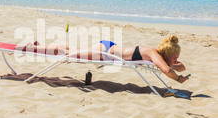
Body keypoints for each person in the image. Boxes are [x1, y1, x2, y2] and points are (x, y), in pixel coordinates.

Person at [15, 35, 190, 84]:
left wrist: (177, 65)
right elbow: (167, 71)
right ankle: (30, 47)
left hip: (108, 48)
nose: (177, 60)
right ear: (166, 55)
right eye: (175, 57)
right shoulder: (154, 54)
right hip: (105, 53)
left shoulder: (157, 53)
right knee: (66, 53)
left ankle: (38, 45)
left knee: (69, 50)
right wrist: (180, 80)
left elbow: (176, 67)